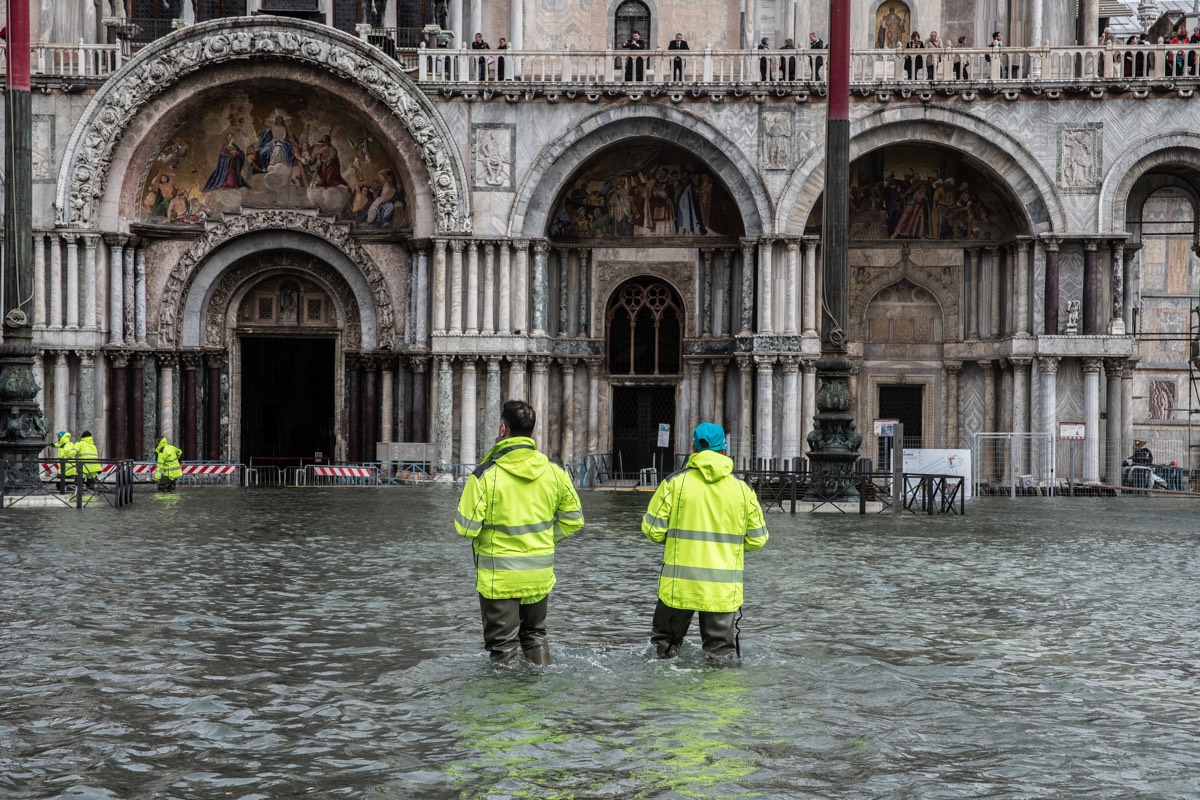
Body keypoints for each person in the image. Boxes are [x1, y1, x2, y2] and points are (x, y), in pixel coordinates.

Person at [454, 399, 584, 666]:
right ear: (532, 431)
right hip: (538, 572)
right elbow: (574, 520)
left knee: (503, 645)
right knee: (535, 636)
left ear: (503, 429)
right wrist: (546, 538)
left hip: (500, 576)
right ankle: (540, 696)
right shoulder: (555, 472)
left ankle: (508, 704)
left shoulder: (485, 476)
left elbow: (466, 528)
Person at [641, 422, 768, 661]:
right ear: (724, 449)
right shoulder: (742, 489)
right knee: (720, 656)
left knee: (664, 649)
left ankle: (662, 697)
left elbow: (652, 530)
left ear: (693, 448)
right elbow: (758, 538)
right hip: (721, 588)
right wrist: (727, 548)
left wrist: (678, 544)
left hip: (678, 586)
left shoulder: (674, 483)